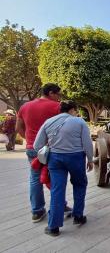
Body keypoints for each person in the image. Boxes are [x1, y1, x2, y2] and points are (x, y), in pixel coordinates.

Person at [34, 100, 94, 236]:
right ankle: (78, 216)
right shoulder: (79, 122)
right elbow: (87, 143)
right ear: (73, 109)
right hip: (76, 158)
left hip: (55, 159)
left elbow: (37, 145)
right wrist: (90, 160)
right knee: (79, 185)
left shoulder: (48, 121)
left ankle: (53, 227)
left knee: (57, 190)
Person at [16, 83, 71, 222]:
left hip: (32, 149)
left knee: (34, 179)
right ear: (51, 93)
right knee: (57, 178)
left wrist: (29, 140)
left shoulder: (25, 107)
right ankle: (61, 206)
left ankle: (37, 211)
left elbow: (19, 127)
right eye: (58, 94)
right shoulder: (57, 107)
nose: (59, 98)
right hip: (52, 149)